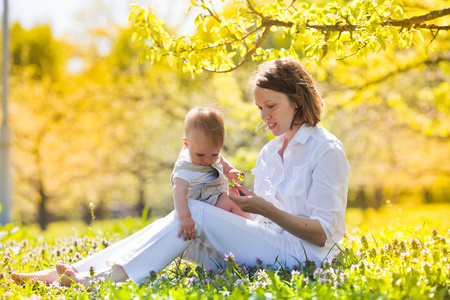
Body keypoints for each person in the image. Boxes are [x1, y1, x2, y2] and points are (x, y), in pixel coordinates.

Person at [11, 57, 350, 288]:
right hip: (263, 250)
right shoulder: (268, 152)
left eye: (271, 106)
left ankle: (92, 282)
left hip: (302, 258)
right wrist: (239, 208)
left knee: (194, 215)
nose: (265, 117)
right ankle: (72, 274)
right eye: (260, 108)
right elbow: (261, 225)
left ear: (296, 98)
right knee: (179, 226)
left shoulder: (326, 150)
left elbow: (322, 234)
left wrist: (263, 208)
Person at [172, 106, 253, 241]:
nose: (207, 160)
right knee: (231, 199)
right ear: (186, 143)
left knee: (236, 195)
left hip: (216, 200)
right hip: (202, 210)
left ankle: (249, 228)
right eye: (200, 154)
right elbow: (178, 192)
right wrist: (185, 218)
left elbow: (222, 162)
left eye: (214, 154)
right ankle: (254, 230)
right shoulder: (184, 169)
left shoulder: (208, 152)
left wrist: (230, 171)